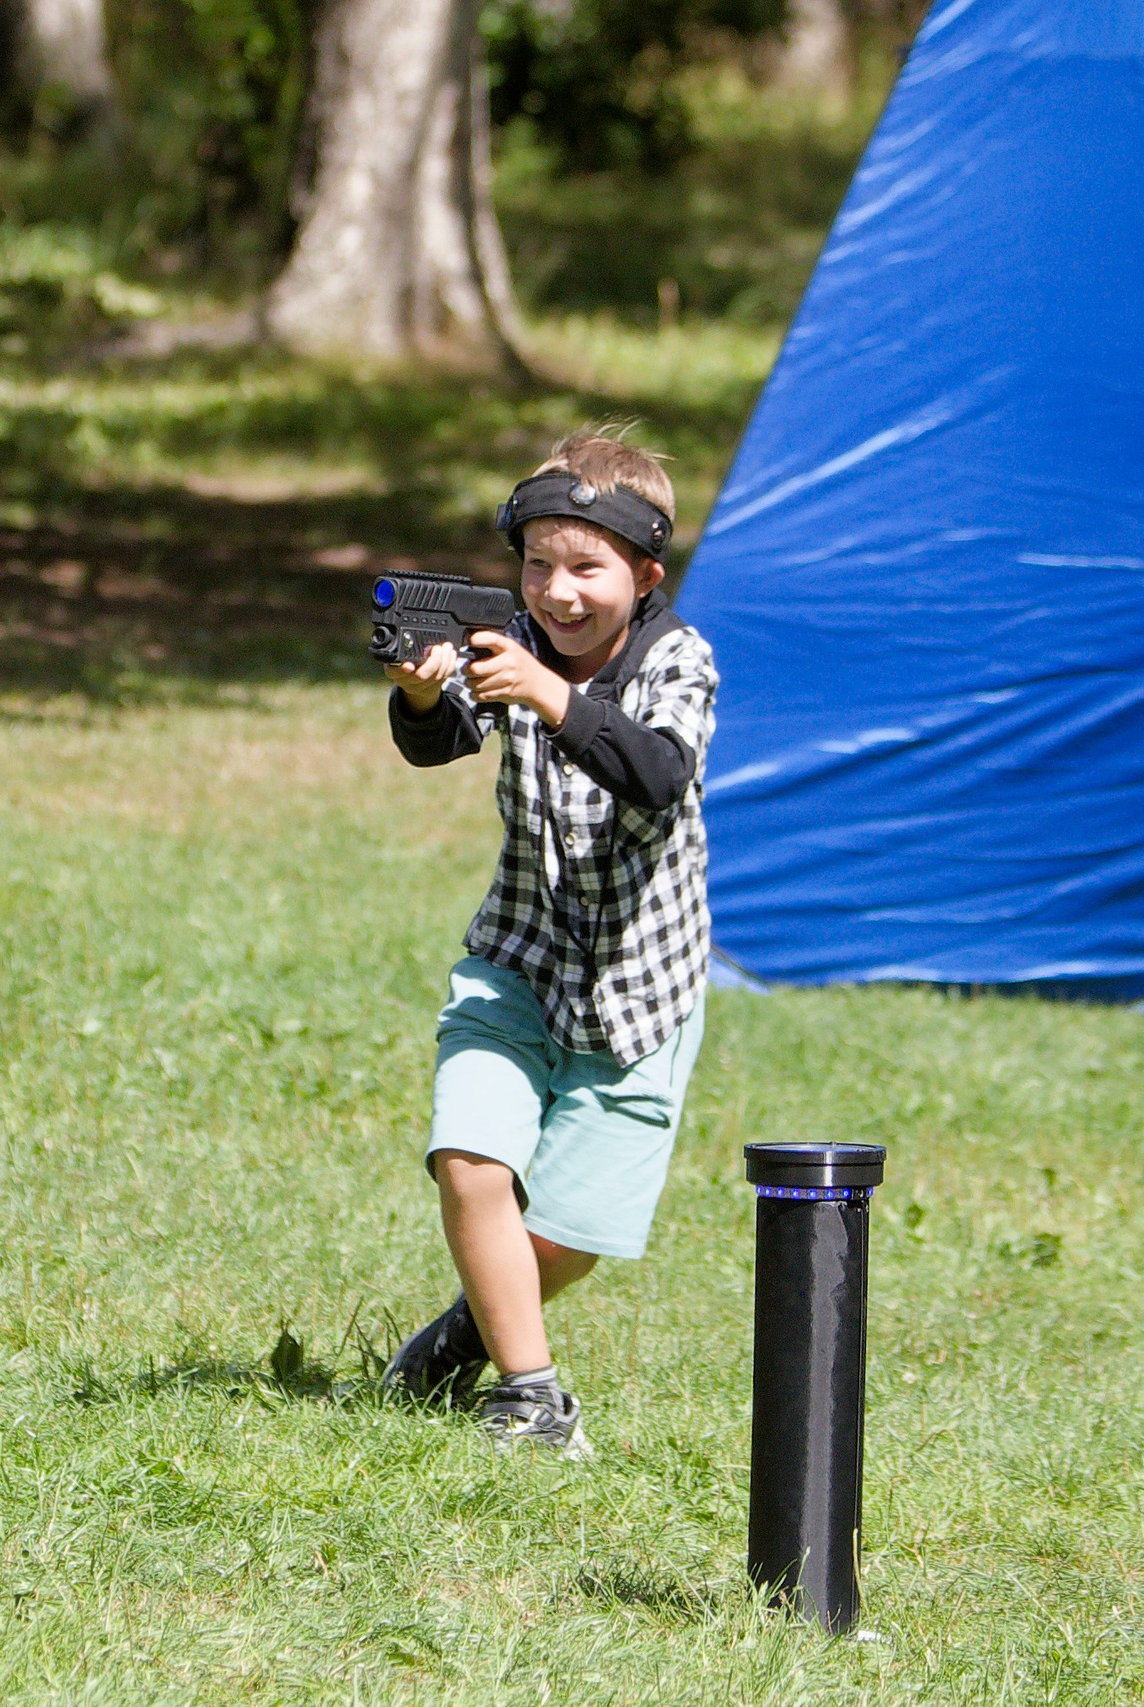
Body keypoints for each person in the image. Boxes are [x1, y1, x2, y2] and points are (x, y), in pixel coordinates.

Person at [380, 429, 720, 1458]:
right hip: (517, 958)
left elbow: (659, 774)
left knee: (571, 1233)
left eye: (586, 569)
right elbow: (439, 741)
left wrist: (551, 694)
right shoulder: (511, 639)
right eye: (537, 565)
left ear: (645, 574)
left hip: (641, 986)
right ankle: (532, 1397)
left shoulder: (678, 660)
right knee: (469, 1158)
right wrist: (423, 693)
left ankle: (468, 1335)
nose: (558, 593)